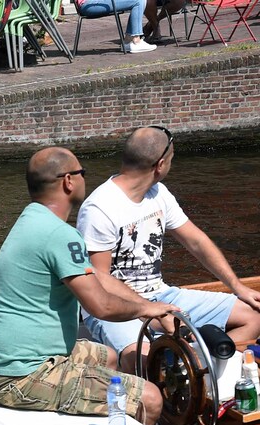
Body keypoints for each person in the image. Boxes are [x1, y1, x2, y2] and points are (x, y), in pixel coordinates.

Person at [0, 147, 178, 425]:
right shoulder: (61, 235)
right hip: (19, 376)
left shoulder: (31, 221)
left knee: (106, 356)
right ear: (68, 181)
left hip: (1, 362)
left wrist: (150, 310)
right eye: (83, 173)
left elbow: (98, 276)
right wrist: (146, 308)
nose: (86, 180)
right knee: (150, 398)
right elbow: (101, 306)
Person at [77, 125, 260, 370]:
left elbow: (196, 241)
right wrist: (150, 311)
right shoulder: (100, 208)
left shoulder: (158, 193)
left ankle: (191, 362)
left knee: (252, 317)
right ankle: (181, 362)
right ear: (160, 164)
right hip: (115, 308)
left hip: (161, 295)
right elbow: (99, 279)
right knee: (142, 361)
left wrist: (237, 287)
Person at [74, 0, 156, 53]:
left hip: (92, 3)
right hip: (90, 5)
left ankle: (128, 41)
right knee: (138, 1)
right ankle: (136, 41)